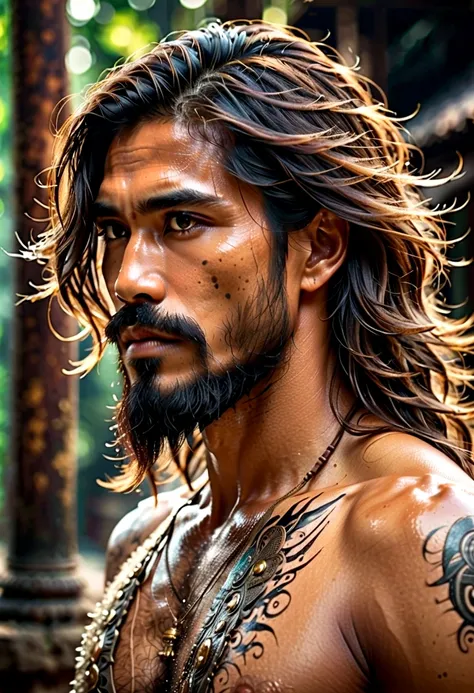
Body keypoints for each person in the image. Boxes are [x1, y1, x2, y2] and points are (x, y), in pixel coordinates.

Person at [23, 19, 474, 693]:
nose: (130, 278)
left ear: (319, 247)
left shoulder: (413, 536)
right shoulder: (144, 541)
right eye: (116, 230)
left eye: (182, 221)